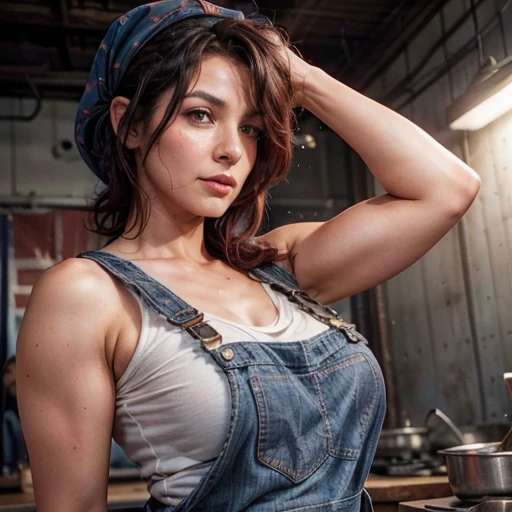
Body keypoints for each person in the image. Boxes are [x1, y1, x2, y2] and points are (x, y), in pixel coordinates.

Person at [16, 1, 481, 511]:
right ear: (129, 125)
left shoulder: (276, 266)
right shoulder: (86, 295)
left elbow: (448, 188)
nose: (232, 150)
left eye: (251, 127)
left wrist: (301, 80)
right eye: (200, 115)